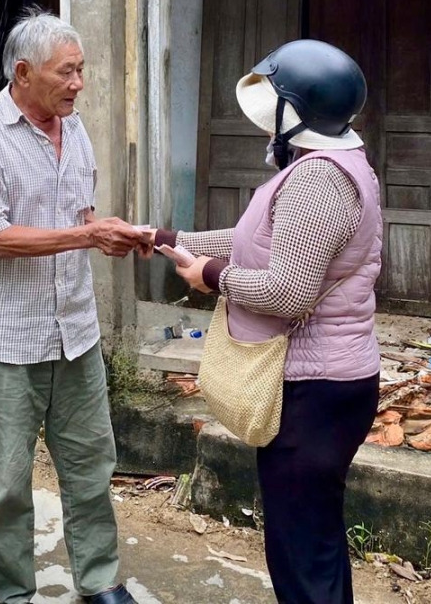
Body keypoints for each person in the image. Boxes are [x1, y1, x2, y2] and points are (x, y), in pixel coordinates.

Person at [148, 40, 381, 604]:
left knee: (302, 550)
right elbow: (260, 242)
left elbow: (286, 289)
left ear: (296, 110)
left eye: (273, 99)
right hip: (330, 383)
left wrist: (212, 277)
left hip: (315, 389)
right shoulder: (332, 165)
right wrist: (170, 242)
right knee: (312, 539)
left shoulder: (317, 178)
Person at [0, 10, 145, 604]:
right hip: (8, 336)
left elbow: (78, 212)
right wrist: (87, 237)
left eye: (81, 70)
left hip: (75, 329)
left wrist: (107, 231)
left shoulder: (74, 128)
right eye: (67, 72)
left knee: (90, 464)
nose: (79, 83)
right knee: (5, 482)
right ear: (24, 73)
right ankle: (12, 593)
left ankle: (100, 580)